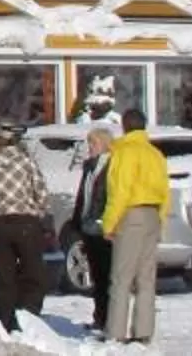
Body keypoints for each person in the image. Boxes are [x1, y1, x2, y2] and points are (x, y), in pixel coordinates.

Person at [0, 122, 53, 329]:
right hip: (25, 221)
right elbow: (41, 192)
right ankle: (29, 316)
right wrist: (40, 213)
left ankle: (8, 320)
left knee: (3, 276)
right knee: (33, 273)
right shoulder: (25, 162)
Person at [102, 109, 171, 344]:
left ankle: (116, 332)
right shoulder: (155, 154)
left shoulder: (124, 152)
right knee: (146, 278)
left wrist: (109, 223)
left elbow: (120, 191)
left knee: (122, 278)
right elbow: (165, 191)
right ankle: (143, 331)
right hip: (152, 214)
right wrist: (161, 220)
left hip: (131, 215)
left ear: (124, 126)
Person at [70, 126, 117, 333]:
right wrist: (77, 220)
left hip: (104, 225)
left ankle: (108, 318)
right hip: (88, 225)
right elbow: (84, 195)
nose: (90, 147)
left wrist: (105, 220)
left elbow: (109, 194)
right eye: (89, 143)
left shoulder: (112, 164)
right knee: (97, 275)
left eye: (94, 143)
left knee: (107, 274)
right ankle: (99, 317)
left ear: (105, 144)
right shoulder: (90, 166)